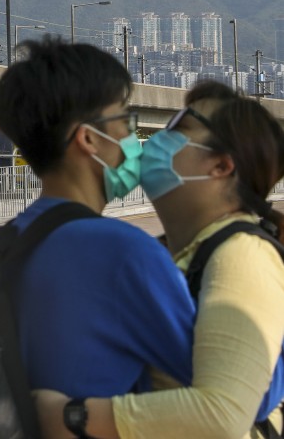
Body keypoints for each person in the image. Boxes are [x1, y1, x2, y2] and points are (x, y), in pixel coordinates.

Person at [34, 80, 284, 439]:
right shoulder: (177, 255)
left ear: (220, 166)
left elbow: (222, 414)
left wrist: (68, 417)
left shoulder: (242, 255)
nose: (158, 140)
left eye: (179, 128)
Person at [0, 37, 196, 404]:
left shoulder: (7, 241)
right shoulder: (126, 252)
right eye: (124, 121)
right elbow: (239, 387)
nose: (132, 137)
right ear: (89, 139)